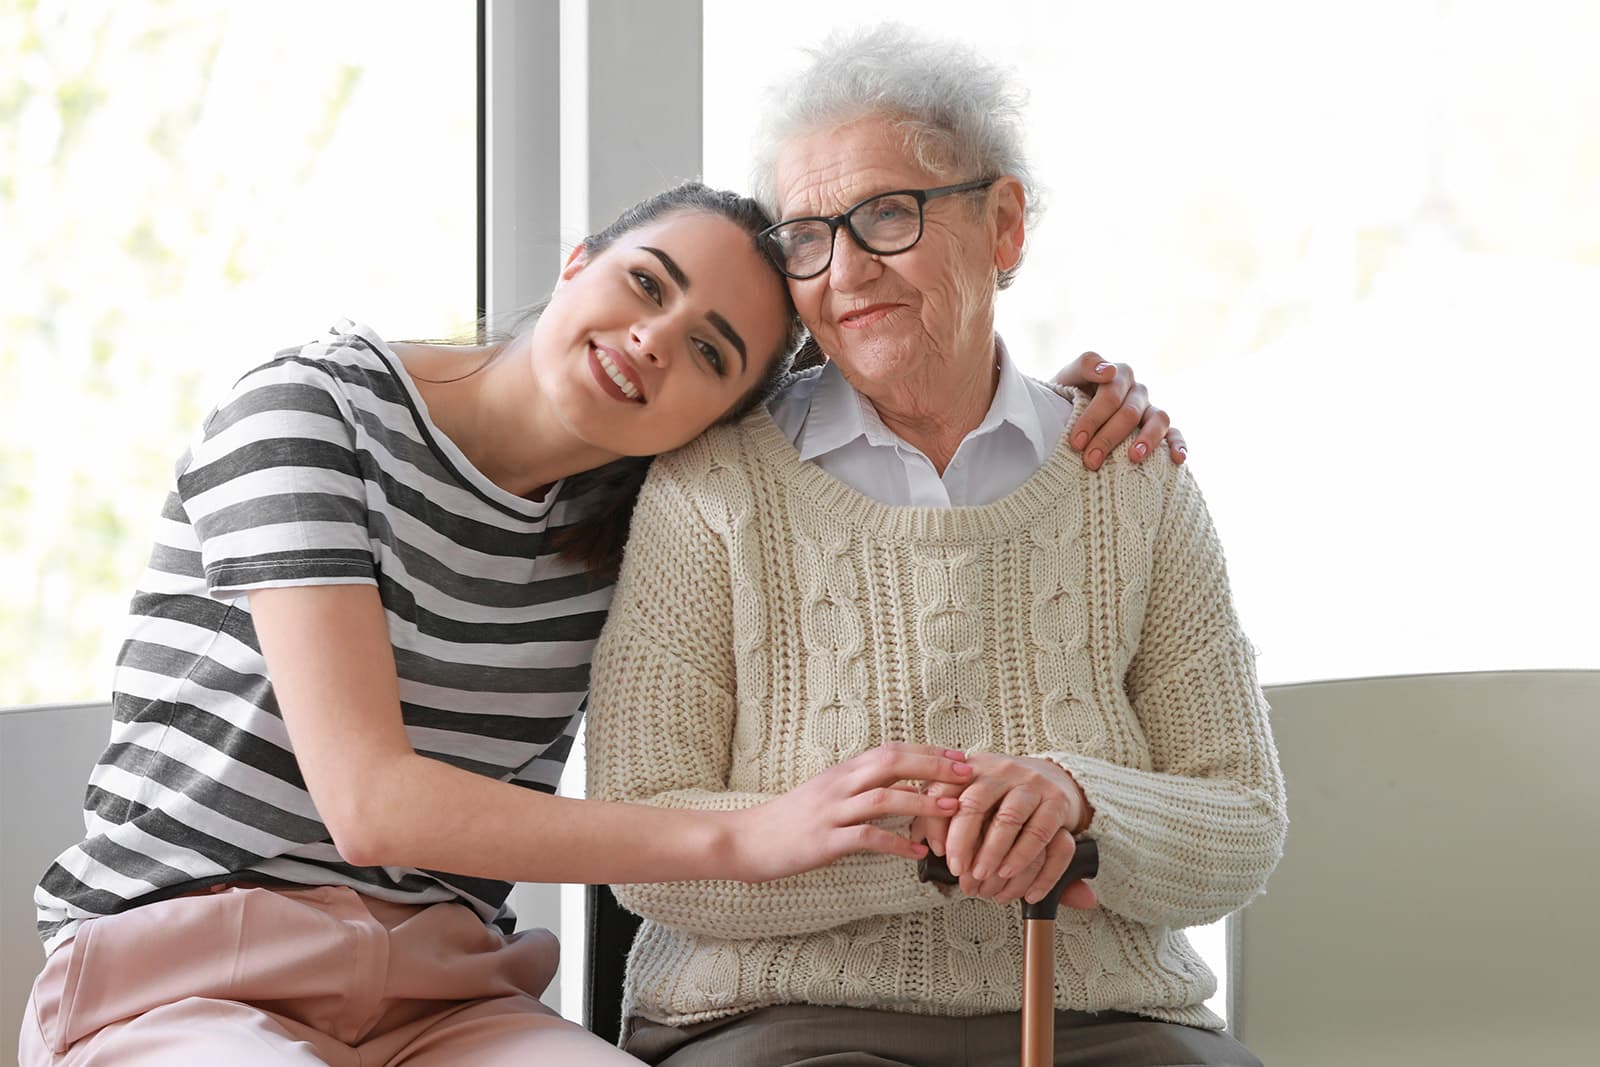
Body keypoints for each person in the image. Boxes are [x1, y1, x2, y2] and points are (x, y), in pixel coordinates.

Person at [21, 181, 1173, 1067]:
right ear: (577, 262)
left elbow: (879, 429)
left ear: (723, 415)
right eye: (646, 281)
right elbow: (371, 803)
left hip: (445, 997)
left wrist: (1061, 401)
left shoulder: (643, 522)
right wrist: (749, 834)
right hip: (185, 970)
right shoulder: (311, 411)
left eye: (712, 352)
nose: (656, 338)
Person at [584, 25, 1287, 1067]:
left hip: (1109, 1019)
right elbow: (637, 836)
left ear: (1002, 224)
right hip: (778, 1020)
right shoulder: (712, 486)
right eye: (808, 237)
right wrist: (934, 838)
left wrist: (1079, 799)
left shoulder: (1131, 477)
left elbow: (1240, 820)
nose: (848, 269)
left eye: (886, 215)